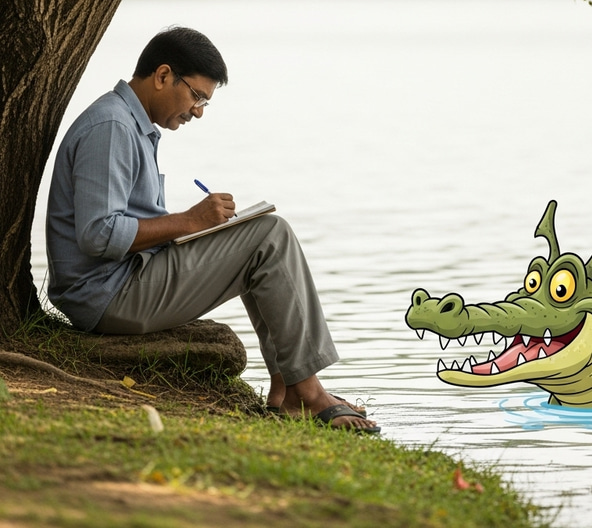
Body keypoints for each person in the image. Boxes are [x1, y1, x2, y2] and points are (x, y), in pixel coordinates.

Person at [46, 26, 379, 433]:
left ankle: (286, 387)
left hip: (122, 280)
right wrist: (190, 222)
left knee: (262, 236)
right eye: (197, 97)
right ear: (163, 75)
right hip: (107, 294)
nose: (199, 111)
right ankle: (305, 393)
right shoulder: (112, 127)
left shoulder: (132, 124)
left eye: (205, 102)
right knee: (269, 236)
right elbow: (99, 235)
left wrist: (196, 232)